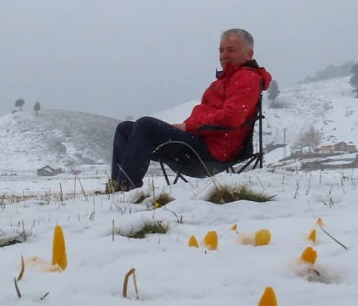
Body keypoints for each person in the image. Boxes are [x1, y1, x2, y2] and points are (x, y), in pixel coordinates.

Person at [108, 29, 271, 191]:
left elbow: (232, 117)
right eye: (221, 50)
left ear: (249, 54)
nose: (224, 55)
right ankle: (117, 187)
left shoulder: (246, 77)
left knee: (145, 125)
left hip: (212, 152)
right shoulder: (223, 81)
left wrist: (188, 127)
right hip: (198, 144)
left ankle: (126, 189)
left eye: (231, 50)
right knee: (125, 129)